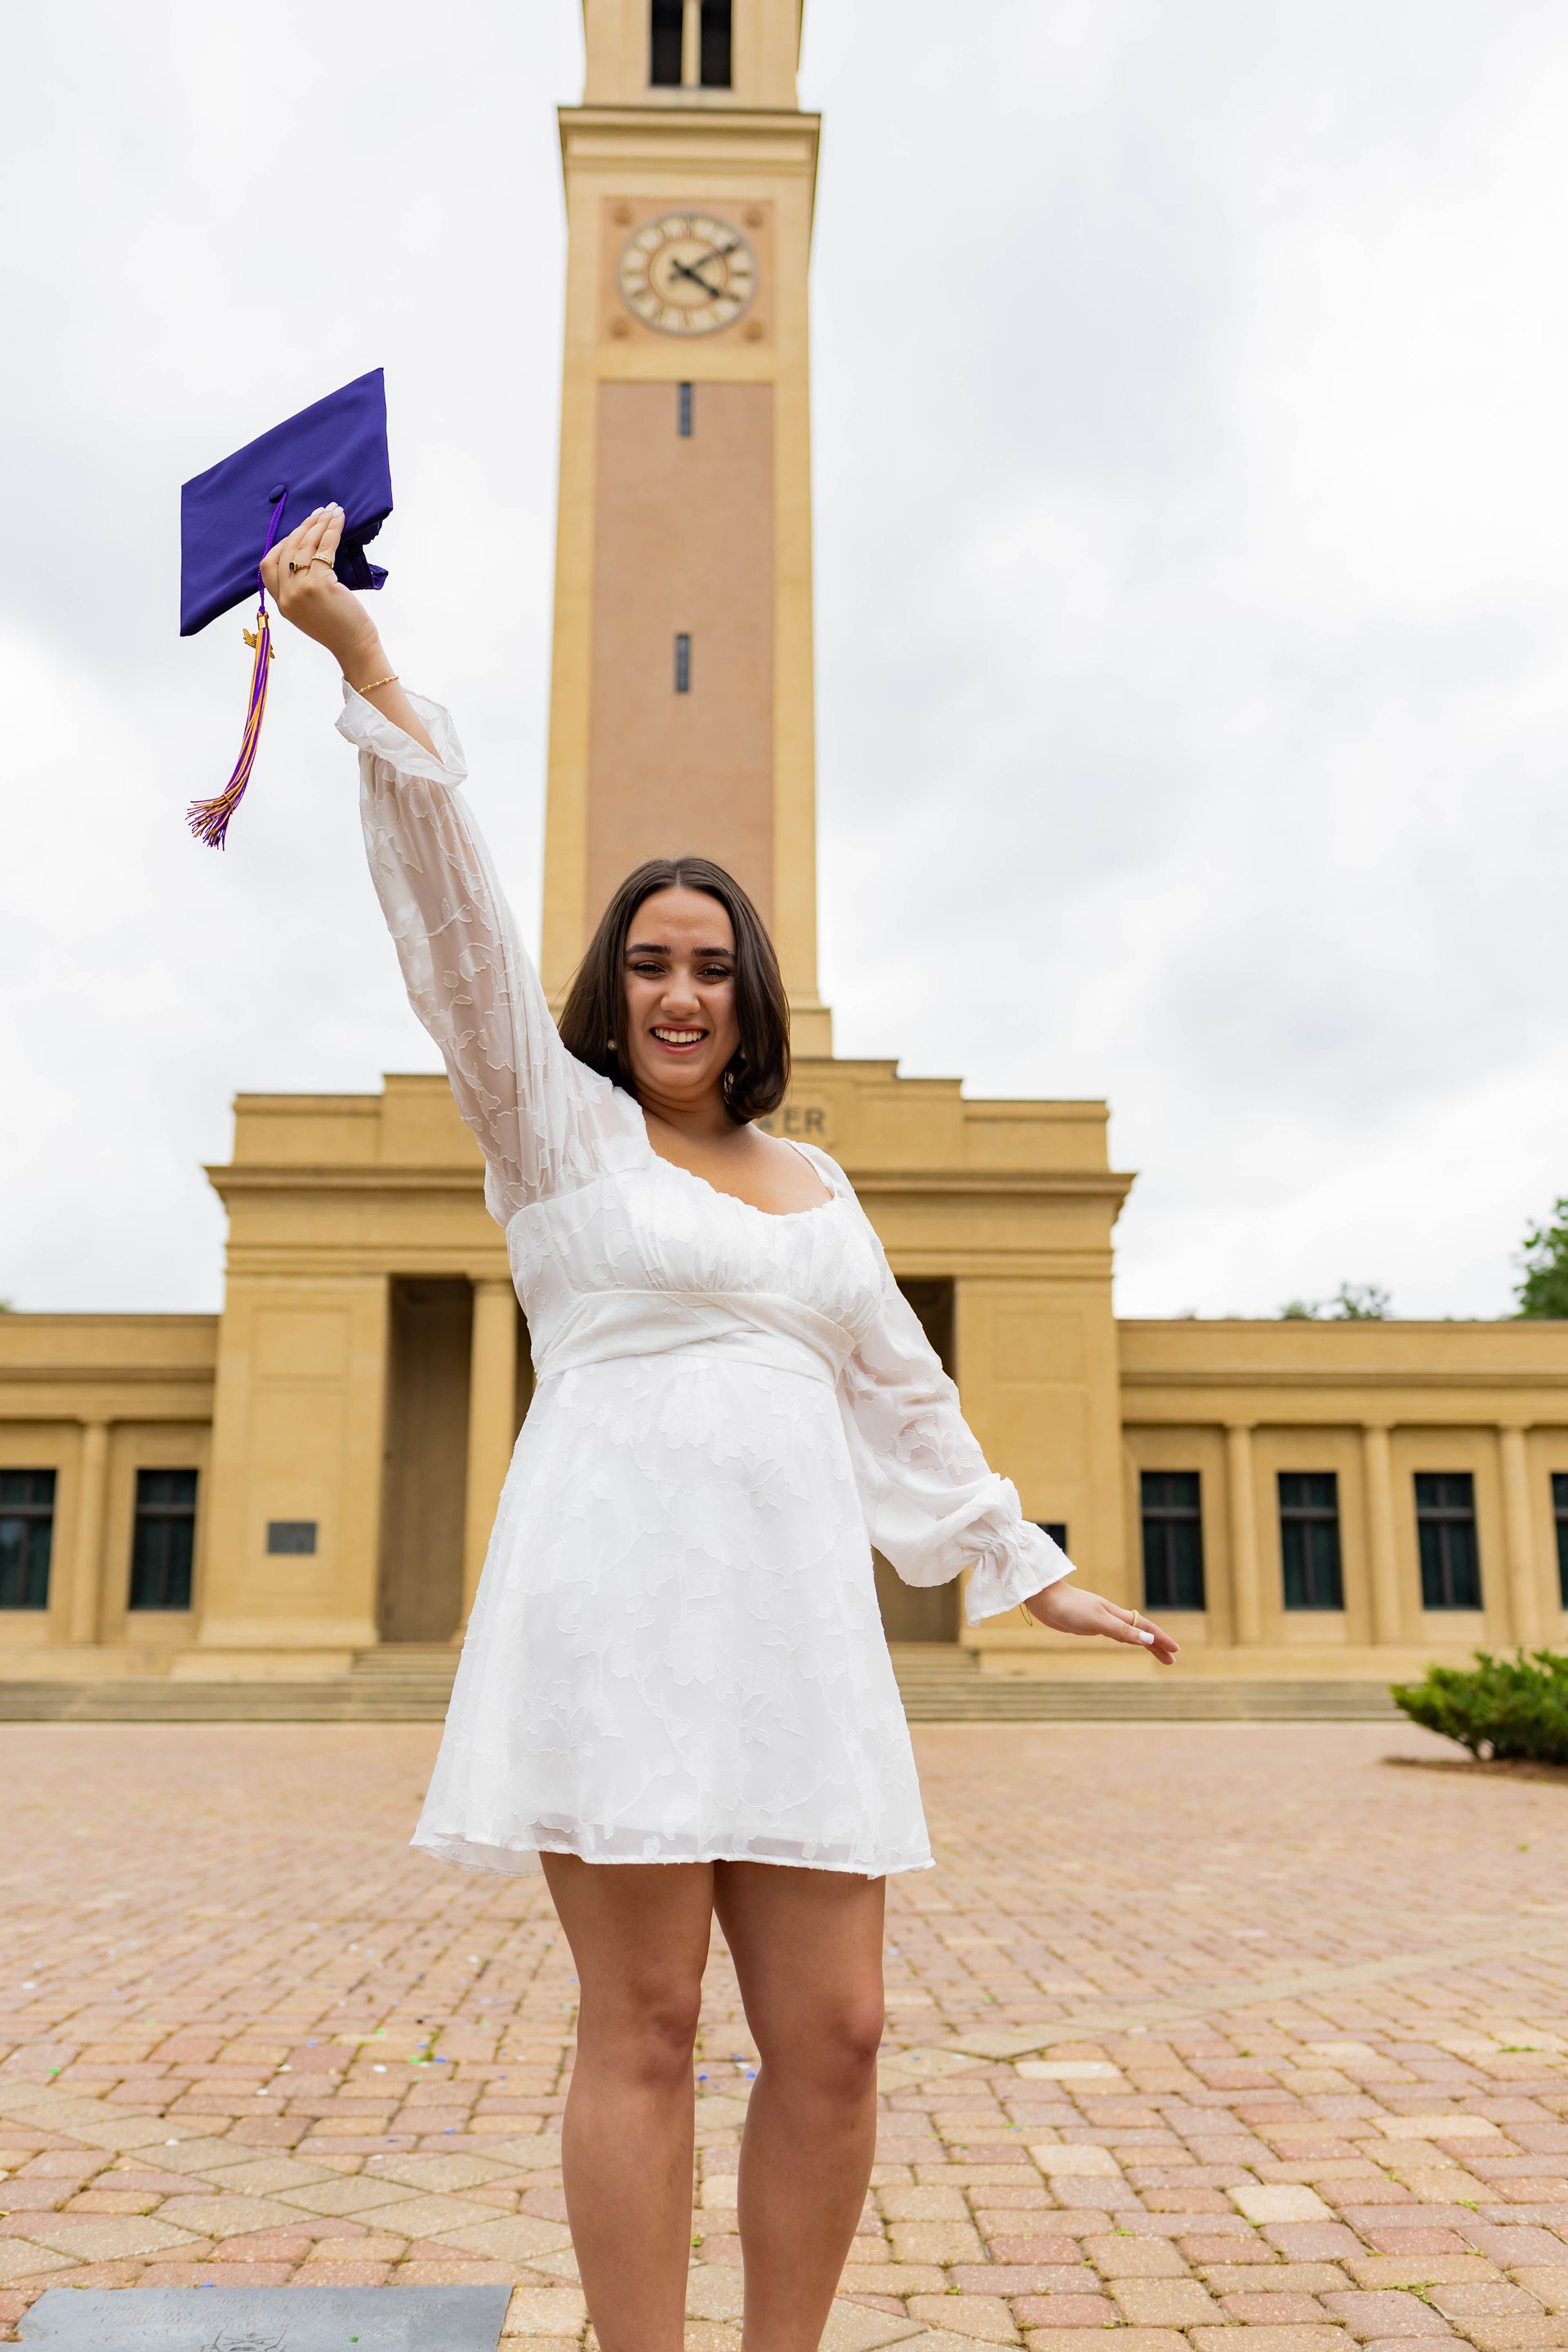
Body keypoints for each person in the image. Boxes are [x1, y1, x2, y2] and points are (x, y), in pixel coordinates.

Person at [262, 502, 1178, 2352]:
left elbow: (894, 1397)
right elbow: (453, 920)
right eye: (652, 964)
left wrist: (1026, 1565)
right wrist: (365, 667)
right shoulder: (553, 1129)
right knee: (652, 2024)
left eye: (712, 967)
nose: (681, 992)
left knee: (835, 2037)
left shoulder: (819, 1185)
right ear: (612, 992)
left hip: (792, 1627)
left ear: (750, 997)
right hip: (615, 1599)